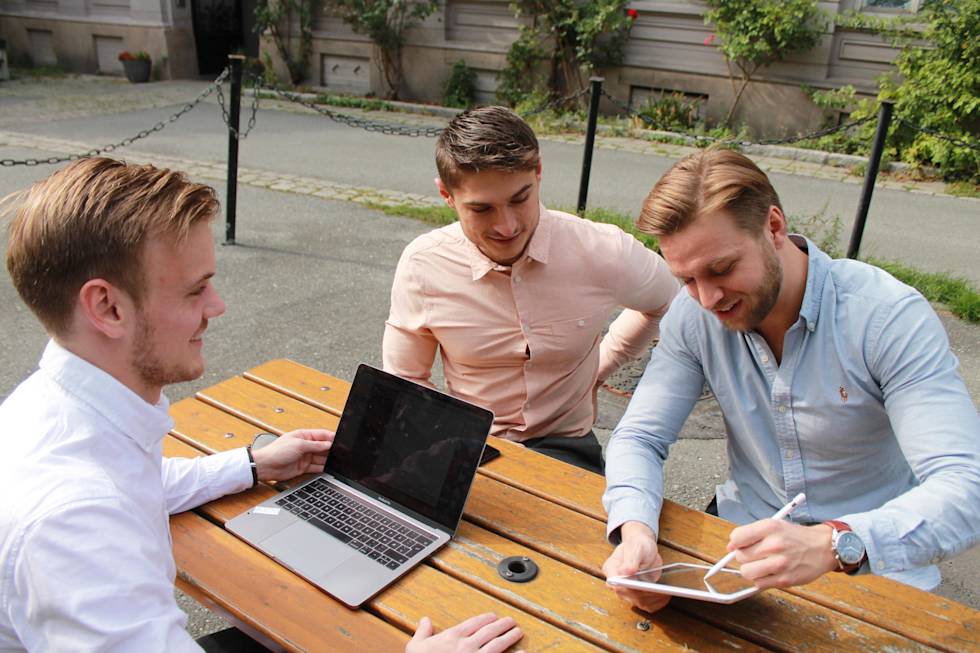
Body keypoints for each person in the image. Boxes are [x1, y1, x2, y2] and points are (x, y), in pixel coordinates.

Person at [0, 158, 523, 652]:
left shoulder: (54, 413)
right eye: (195, 290)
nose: (217, 306)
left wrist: (251, 464)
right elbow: (101, 506)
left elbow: (135, 486)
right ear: (107, 307)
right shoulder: (74, 528)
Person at [601, 148, 980, 612]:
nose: (707, 298)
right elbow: (639, 436)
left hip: (874, 568)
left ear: (774, 227)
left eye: (721, 269)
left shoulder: (885, 318)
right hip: (739, 557)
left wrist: (832, 543)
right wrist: (636, 532)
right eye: (686, 280)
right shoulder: (692, 316)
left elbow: (966, 487)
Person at [383, 106, 679, 474]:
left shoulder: (603, 250)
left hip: (566, 445)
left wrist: (609, 358)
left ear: (538, 172)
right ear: (446, 194)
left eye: (520, 199)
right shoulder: (423, 265)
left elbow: (671, 301)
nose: (506, 226)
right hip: (471, 446)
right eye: (482, 209)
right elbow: (405, 382)